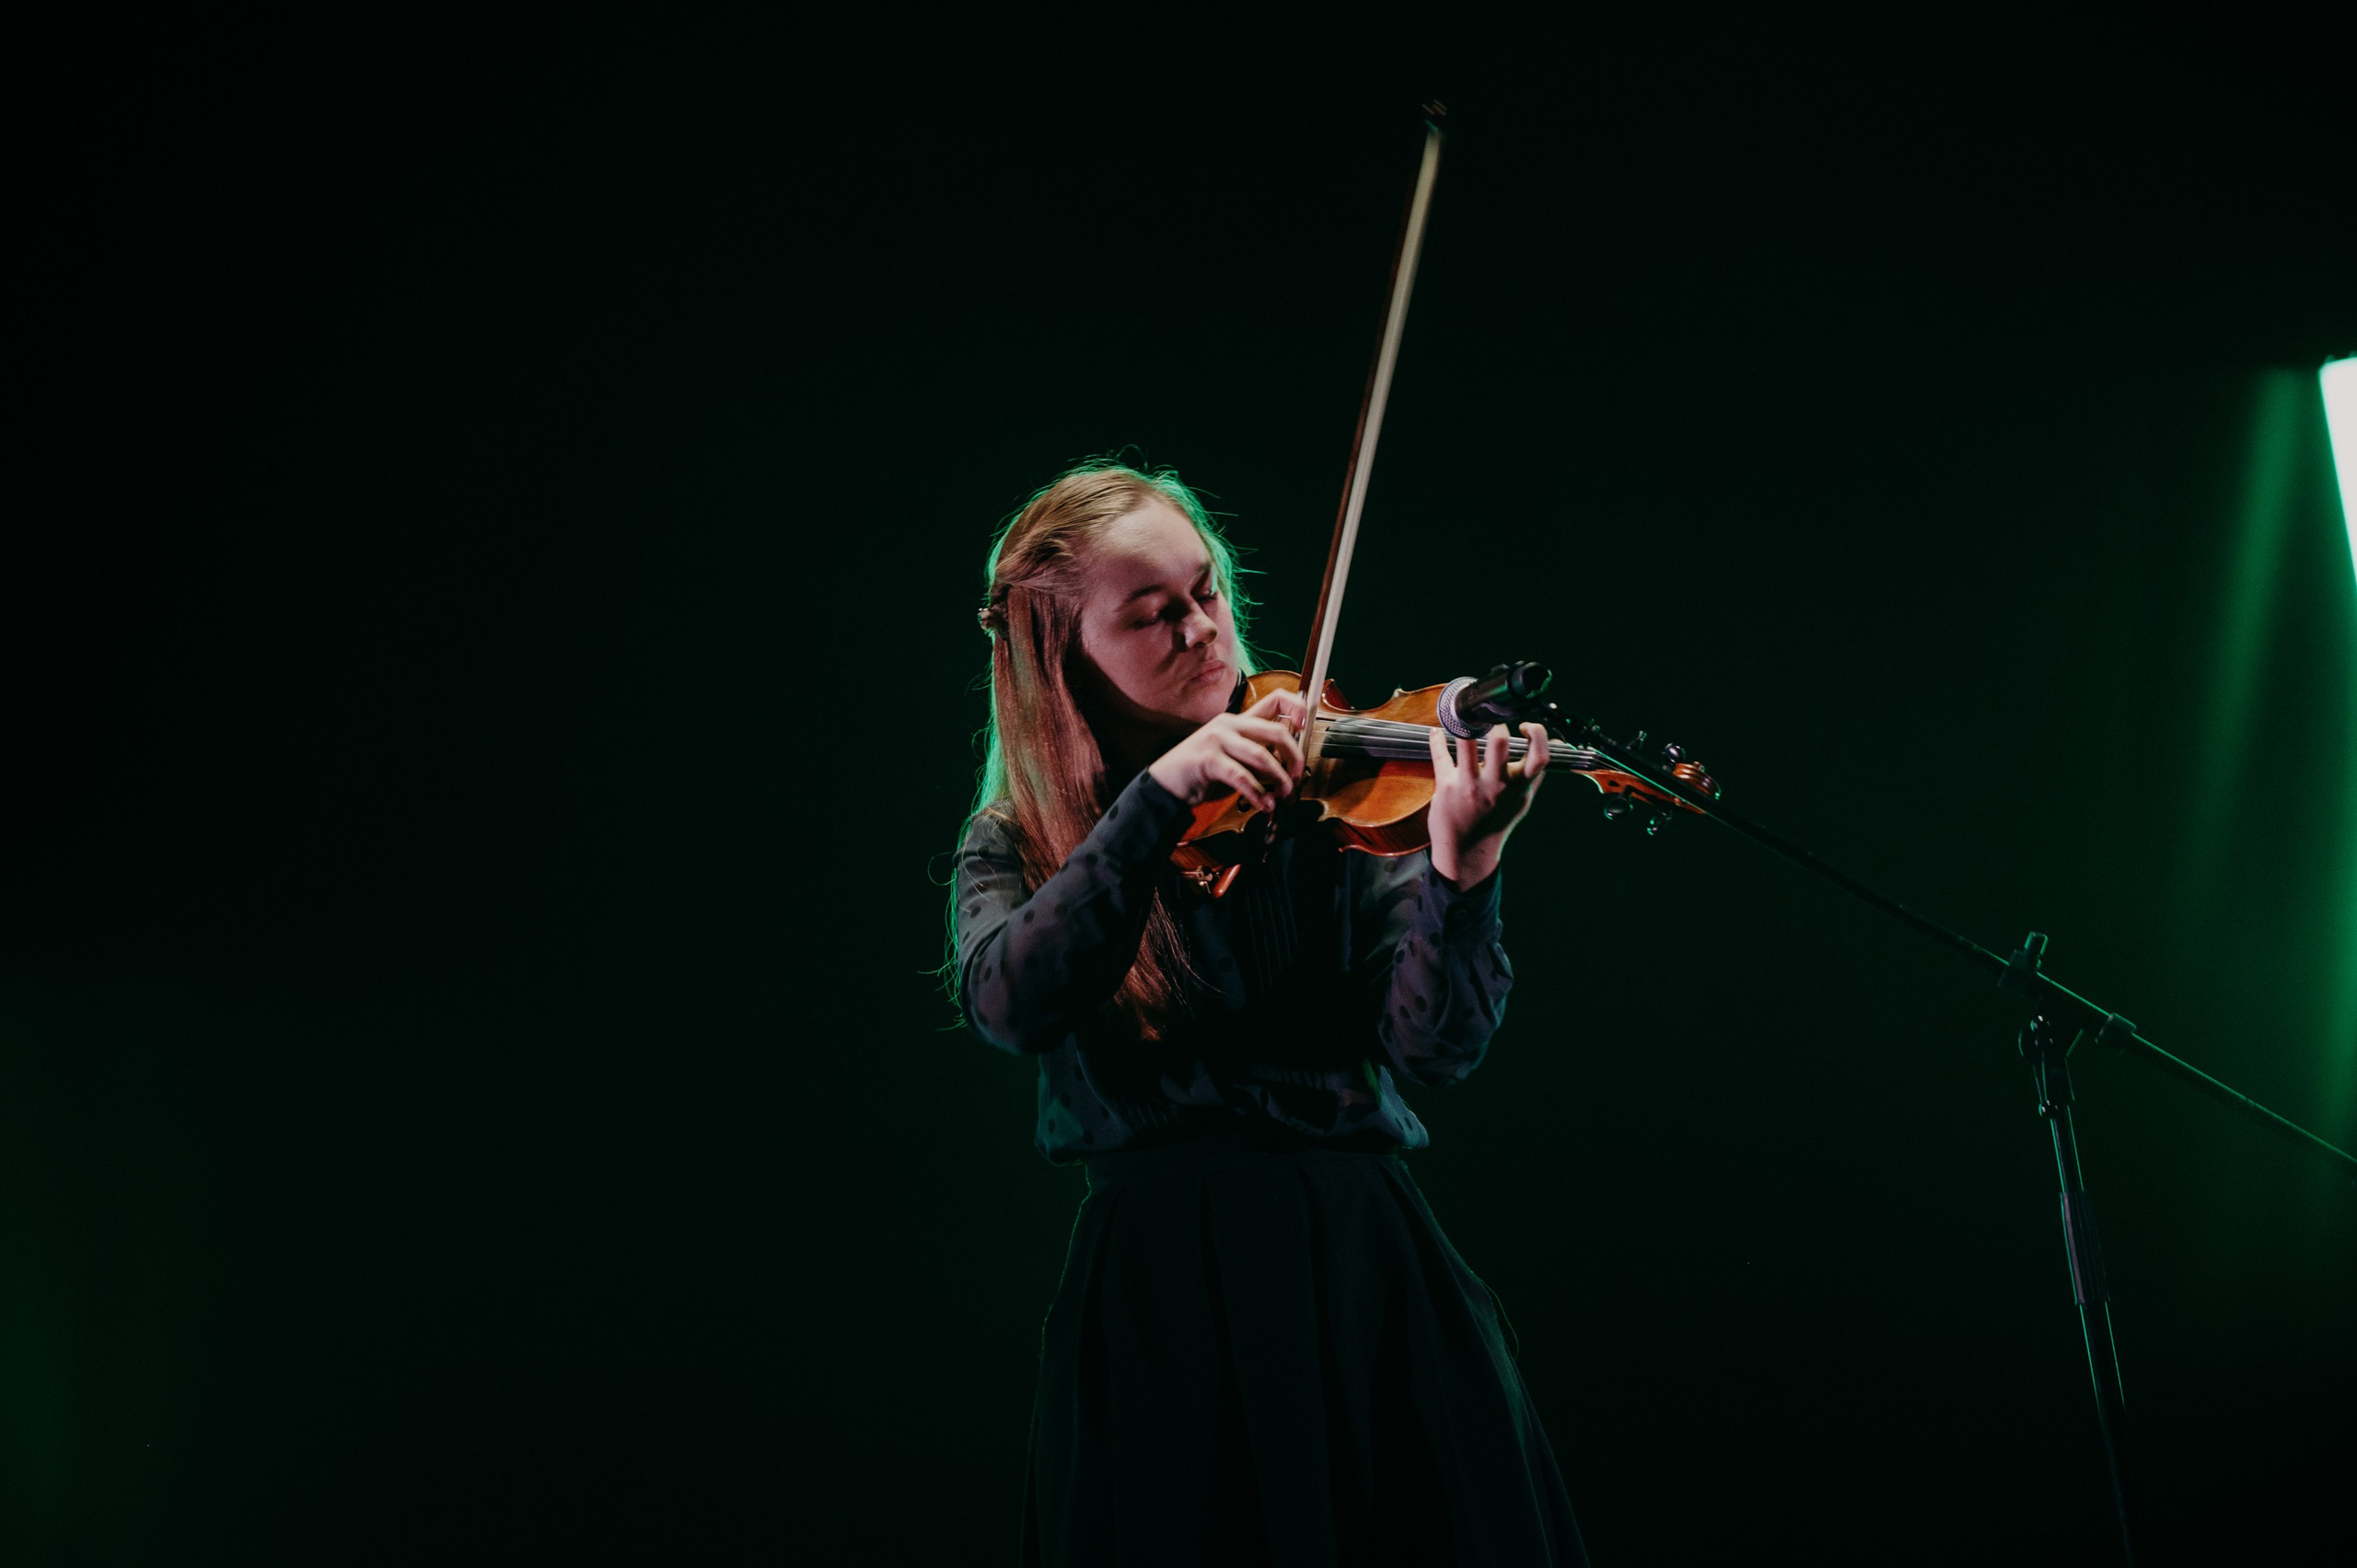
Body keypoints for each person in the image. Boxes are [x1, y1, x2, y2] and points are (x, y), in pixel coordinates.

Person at [952, 459, 1588, 1567]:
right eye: (1153, 615)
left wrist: (1462, 864)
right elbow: (1013, 1001)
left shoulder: (1328, 797)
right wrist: (1153, 805)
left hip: (1362, 1268)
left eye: (1207, 591)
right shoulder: (1018, 841)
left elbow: (1433, 1047)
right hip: (1162, 1295)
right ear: (1067, 662)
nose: (1204, 629)